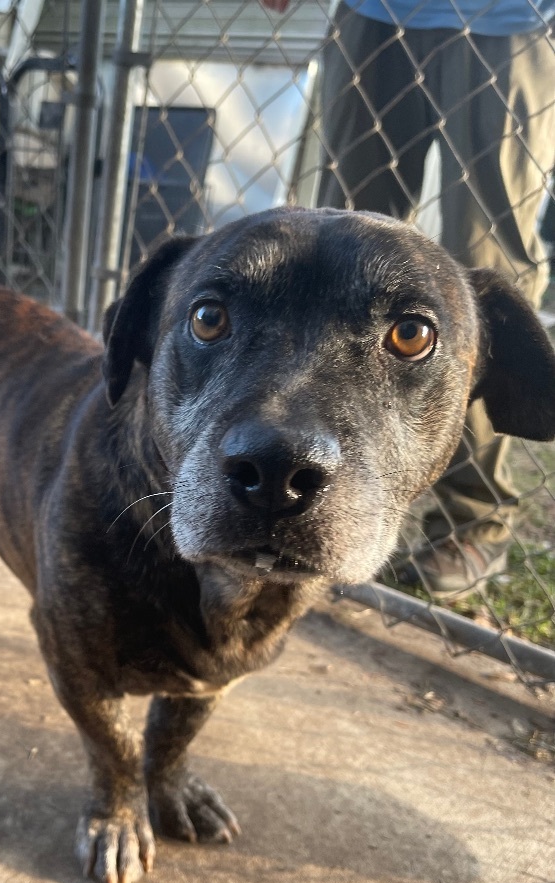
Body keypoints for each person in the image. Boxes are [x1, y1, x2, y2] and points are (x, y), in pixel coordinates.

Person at [265, 0, 555, 594]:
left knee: (482, 278)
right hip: (373, 13)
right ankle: (309, 496)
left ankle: (472, 518)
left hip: (506, 18)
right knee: (329, 258)